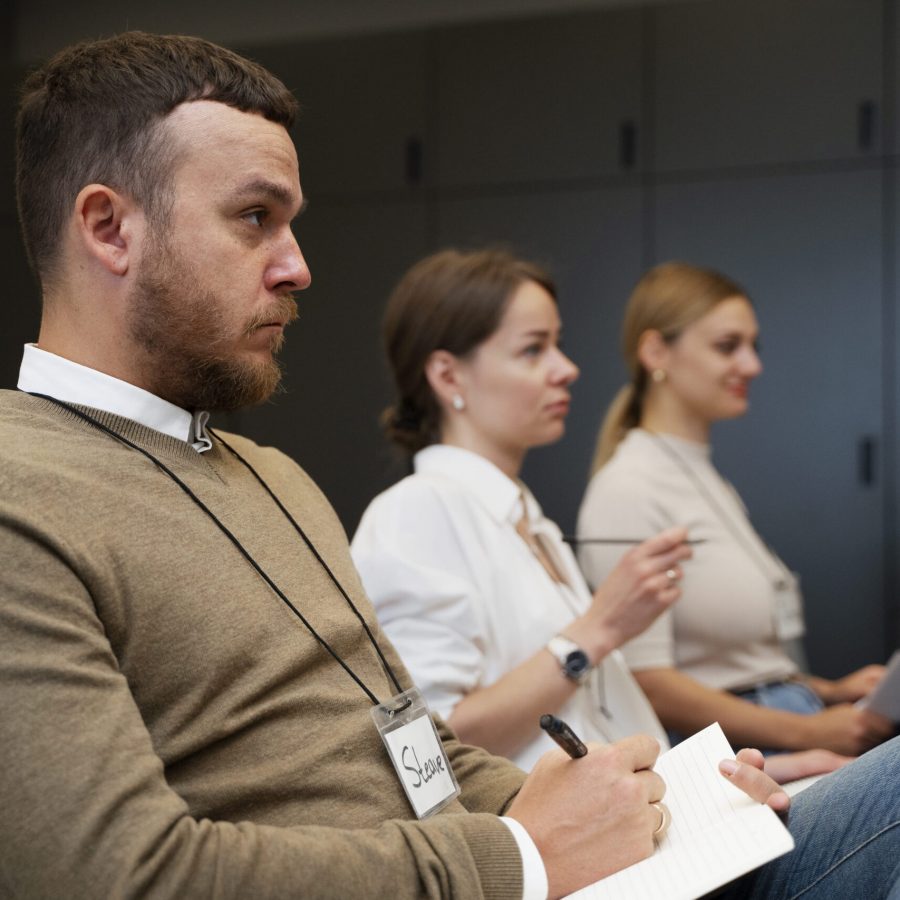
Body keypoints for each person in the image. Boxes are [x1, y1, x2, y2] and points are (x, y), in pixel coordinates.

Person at [1, 31, 897, 900]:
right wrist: (521, 854)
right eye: (253, 218)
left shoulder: (275, 480)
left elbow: (410, 747)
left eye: (291, 223)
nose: (299, 267)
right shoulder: (23, 494)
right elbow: (110, 878)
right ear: (110, 229)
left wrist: (653, 802)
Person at [577, 261, 894, 758]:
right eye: (728, 346)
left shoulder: (703, 477)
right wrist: (811, 733)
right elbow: (647, 680)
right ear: (656, 351)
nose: (751, 365)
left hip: (785, 716)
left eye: (753, 346)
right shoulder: (630, 488)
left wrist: (827, 691)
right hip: (738, 753)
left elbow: (727, 661)